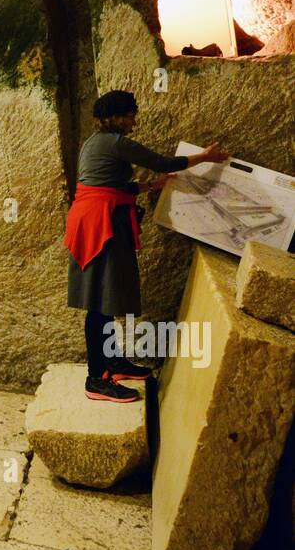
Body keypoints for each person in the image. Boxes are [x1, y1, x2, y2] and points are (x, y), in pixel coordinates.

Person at [64, 90, 229, 402]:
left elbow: (112, 184)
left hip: (100, 220)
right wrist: (206, 156)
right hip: (100, 225)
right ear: (112, 118)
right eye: (128, 115)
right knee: (99, 304)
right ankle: (95, 379)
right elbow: (162, 161)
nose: (132, 121)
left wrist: (148, 187)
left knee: (107, 298)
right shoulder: (115, 142)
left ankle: (112, 363)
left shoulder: (95, 143)